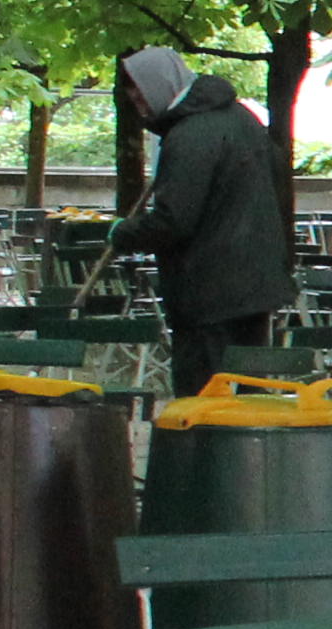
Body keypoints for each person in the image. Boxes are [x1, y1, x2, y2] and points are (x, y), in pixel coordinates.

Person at [111, 46, 297, 399]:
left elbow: (173, 221)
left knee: (204, 406)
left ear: (159, 84)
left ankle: (204, 456)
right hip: (255, 287)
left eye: (138, 89)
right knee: (246, 402)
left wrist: (122, 233)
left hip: (208, 293)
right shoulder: (243, 120)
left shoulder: (190, 135)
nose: (135, 100)